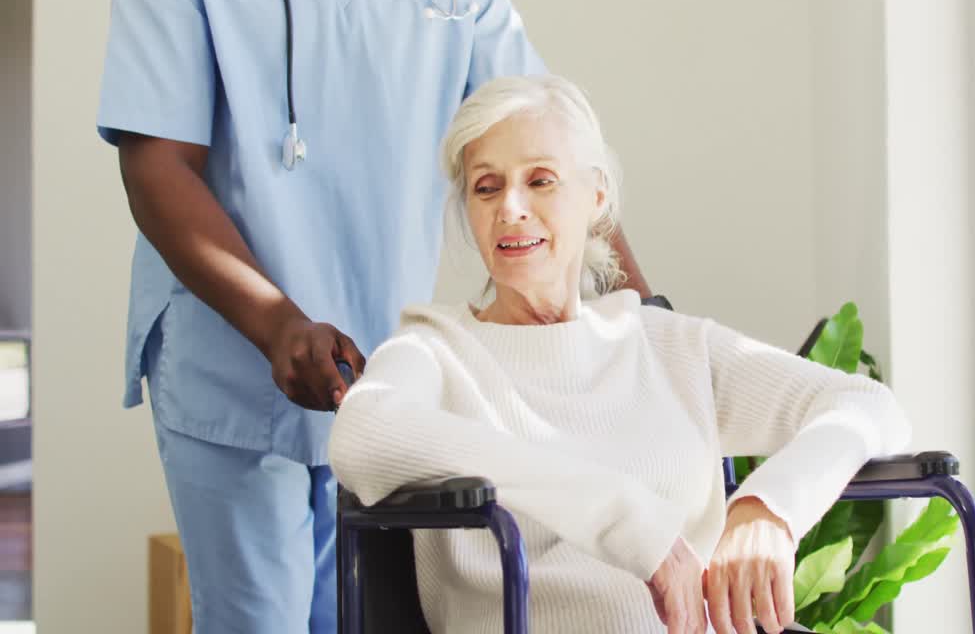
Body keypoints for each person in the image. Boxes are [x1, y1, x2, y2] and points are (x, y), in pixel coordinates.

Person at [97, 0, 651, 631]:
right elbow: (156, 166)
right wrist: (277, 324)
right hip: (231, 359)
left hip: (375, 381)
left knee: (365, 616)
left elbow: (555, 152)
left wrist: (639, 311)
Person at [329, 75, 912, 634]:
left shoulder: (666, 343)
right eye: (487, 187)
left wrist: (769, 507)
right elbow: (361, 434)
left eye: (541, 180)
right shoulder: (436, 350)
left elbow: (866, 405)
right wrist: (623, 518)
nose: (510, 207)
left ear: (597, 196)